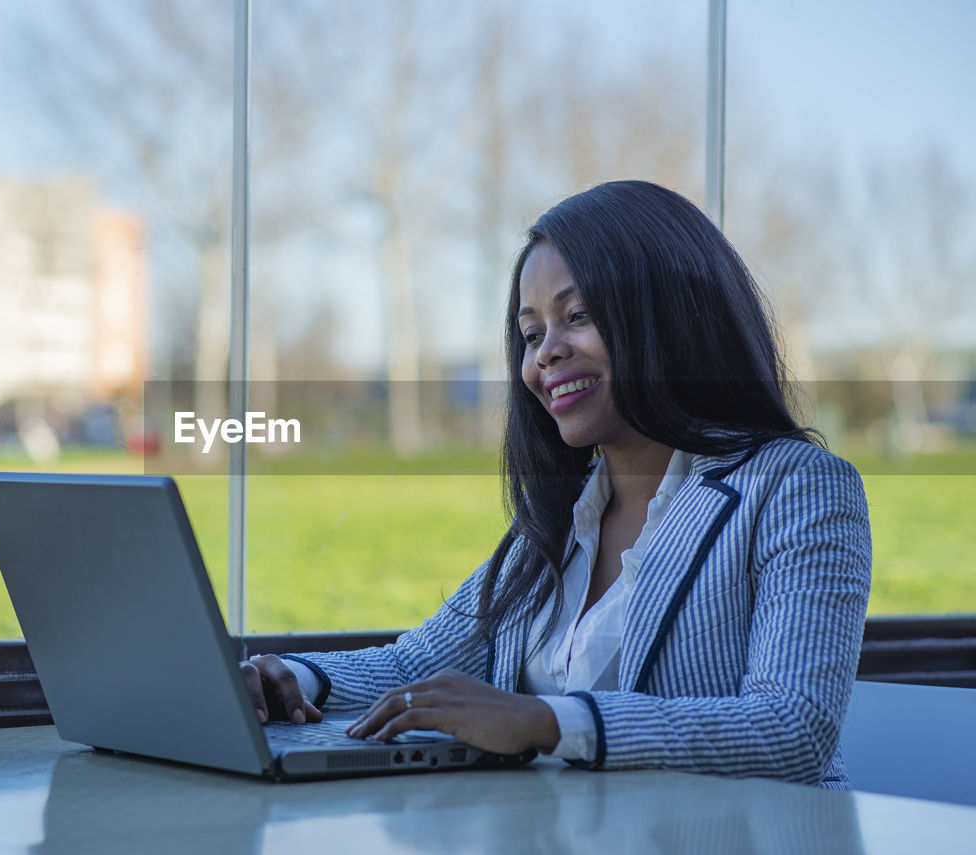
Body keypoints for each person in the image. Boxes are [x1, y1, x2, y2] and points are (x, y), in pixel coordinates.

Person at [240, 180, 872, 788]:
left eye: (579, 315)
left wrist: (545, 722)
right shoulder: (559, 517)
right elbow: (417, 667)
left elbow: (792, 730)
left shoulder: (797, 489)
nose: (545, 354)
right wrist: (290, 678)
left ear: (670, 317)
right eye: (532, 332)